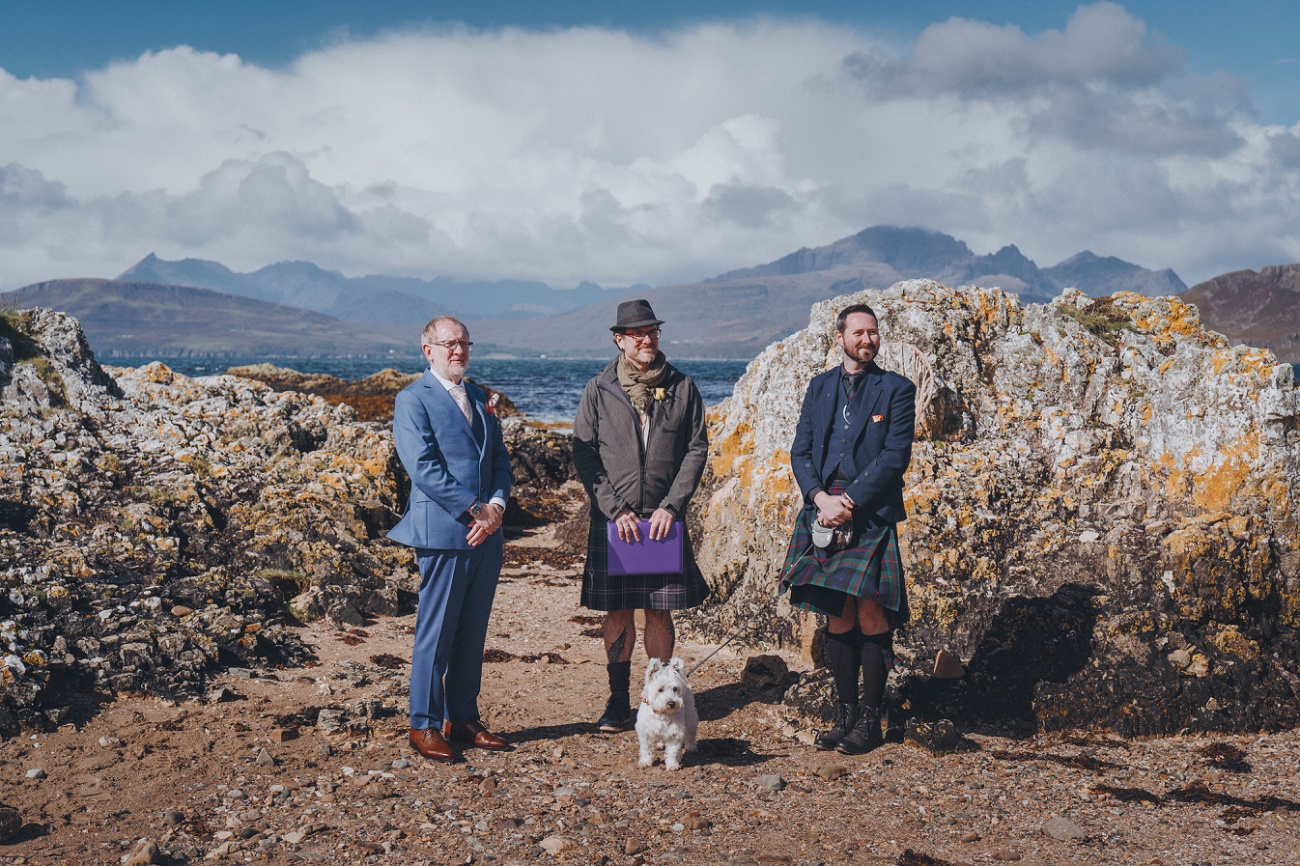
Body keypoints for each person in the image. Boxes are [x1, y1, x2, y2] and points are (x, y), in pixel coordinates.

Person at [781, 303, 916, 755]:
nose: (868, 339)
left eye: (874, 332)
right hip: (822, 505)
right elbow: (800, 451)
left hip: (869, 510)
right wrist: (821, 499)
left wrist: (850, 502)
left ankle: (871, 720)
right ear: (839, 338)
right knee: (837, 613)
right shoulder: (819, 388)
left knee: (870, 612)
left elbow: (895, 457)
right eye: (859, 332)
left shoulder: (896, 389)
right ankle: (844, 715)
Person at [573, 299, 710, 733]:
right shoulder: (599, 389)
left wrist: (674, 505)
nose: (647, 339)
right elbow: (583, 451)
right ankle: (616, 703)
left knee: (658, 613)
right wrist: (613, 508)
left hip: (664, 520)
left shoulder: (682, 387)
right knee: (616, 612)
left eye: (653, 332)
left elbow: (696, 449)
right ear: (620, 340)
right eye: (638, 334)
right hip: (615, 522)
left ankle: (660, 697)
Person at [387, 315, 513, 762]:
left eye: (464, 343)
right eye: (449, 344)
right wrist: (474, 509)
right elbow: (422, 467)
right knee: (435, 633)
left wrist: (496, 507)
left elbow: (499, 459)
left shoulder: (480, 398)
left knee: (471, 630)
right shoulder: (412, 399)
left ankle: (462, 717)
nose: (458, 350)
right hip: (443, 531)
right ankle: (422, 724)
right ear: (428, 351)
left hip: (487, 534)